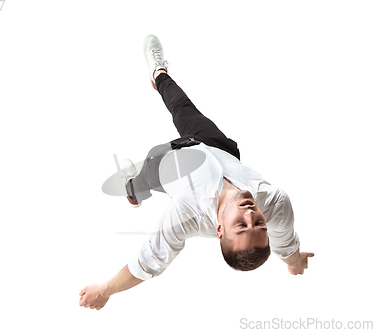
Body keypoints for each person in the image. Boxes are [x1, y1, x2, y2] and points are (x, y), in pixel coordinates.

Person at [79, 35, 314, 311]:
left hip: (165, 162)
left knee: (137, 183)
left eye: (241, 225)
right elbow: (286, 244)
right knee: (181, 106)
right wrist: (296, 263)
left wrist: (105, 290)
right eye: (260, 225)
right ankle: (159, 73)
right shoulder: (275, 202)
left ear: (218, 229)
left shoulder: (185, 214)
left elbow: (147, 263)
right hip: (213, 146)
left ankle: (132, 190)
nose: (251, 214)